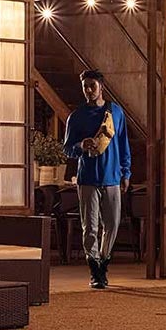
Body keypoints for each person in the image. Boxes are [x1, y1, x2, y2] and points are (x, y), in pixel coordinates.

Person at [63, 70, 131, 289]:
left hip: (112, 178)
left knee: (112, 224)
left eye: (92, 85)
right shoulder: (76, 116)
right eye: (85, 86)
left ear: (101, 86)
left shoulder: (116, 113)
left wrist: (126, 172)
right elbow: (67, 149)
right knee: (90, 227)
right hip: (87, 179)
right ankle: (95, 270)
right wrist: (80, 146)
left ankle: (103, 261)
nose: (89, 90)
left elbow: (123, 144)